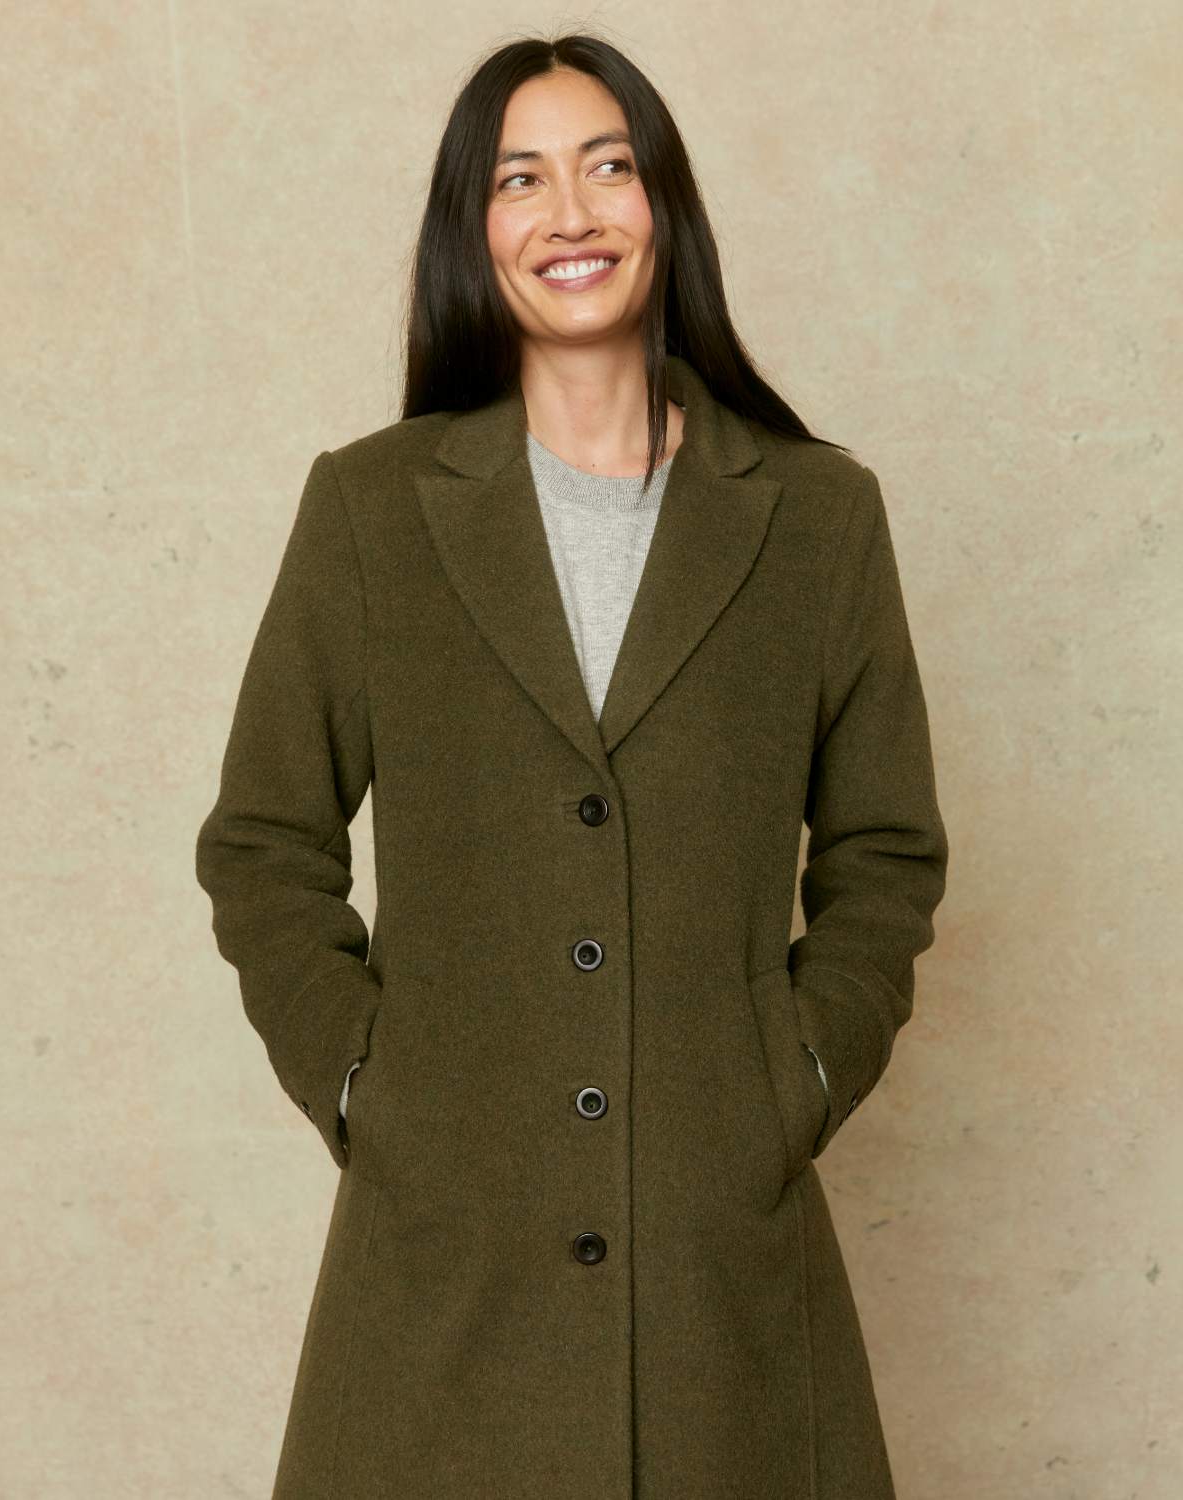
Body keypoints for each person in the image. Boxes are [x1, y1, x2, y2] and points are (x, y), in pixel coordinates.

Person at [195, 31, 948, 1500]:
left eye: (608, 167)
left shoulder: (817, 517)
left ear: (664, 204)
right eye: (520, 180)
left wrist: (797, 1071)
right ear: (473, 232)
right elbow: (263, 842)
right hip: (441, 1257)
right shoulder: (372, 509)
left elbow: (887, 854)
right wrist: (361, 1084)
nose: (571, 213)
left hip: (721, 1269)